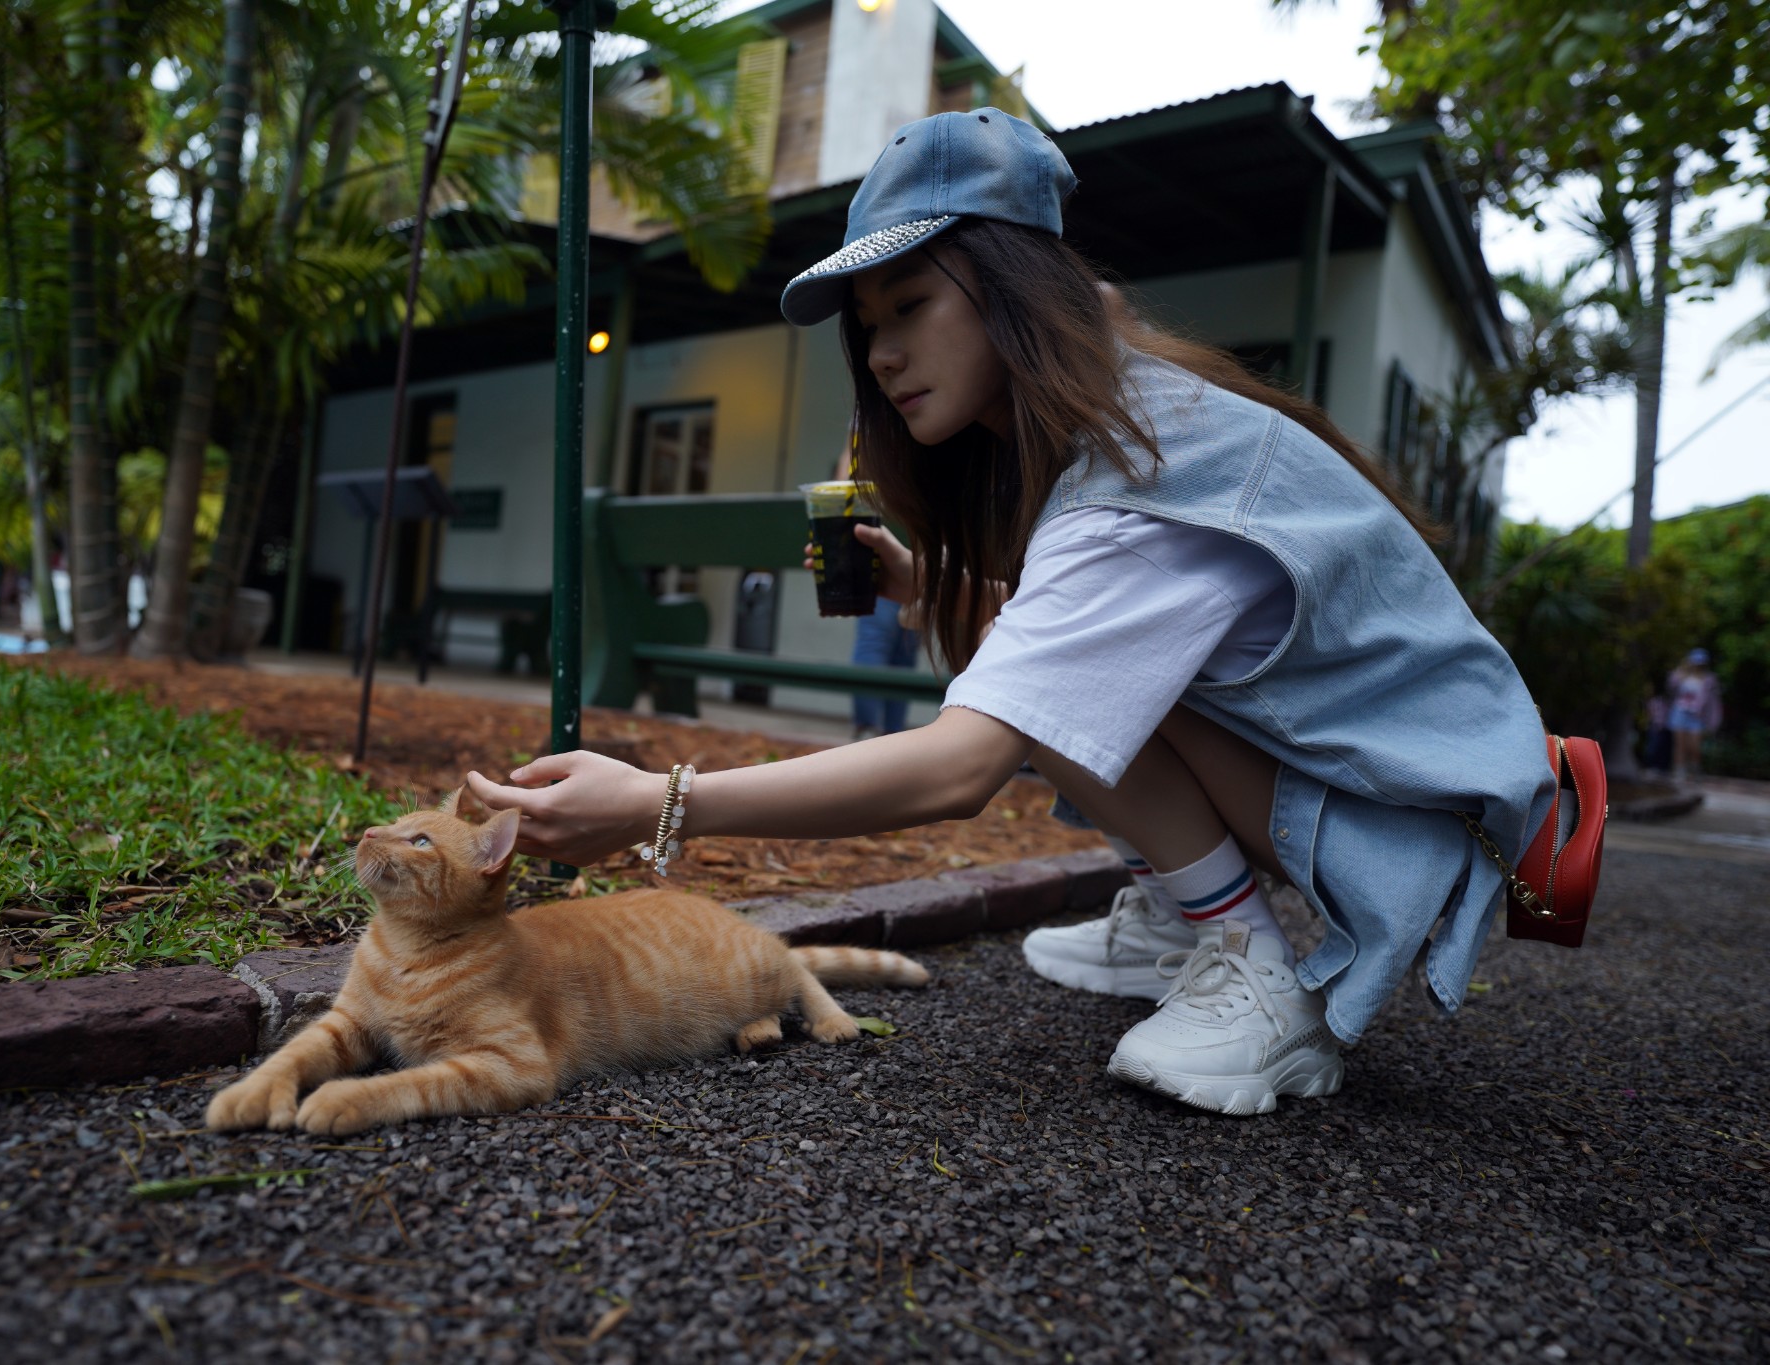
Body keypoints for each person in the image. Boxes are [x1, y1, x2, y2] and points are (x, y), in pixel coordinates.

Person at [469, 108, 1555, 1116]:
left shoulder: (1138, 477)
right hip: (1368, 779)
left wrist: (661, 801)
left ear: (1013, 290)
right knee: (1028, 655)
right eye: (867, 324)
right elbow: (1069, 636)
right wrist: (918, 585)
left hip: (1405, 824)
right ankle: (1188, 914)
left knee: (1037, 689)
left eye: (911, 306)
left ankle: (1247, 969)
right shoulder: (1138, 421)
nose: (882, 353)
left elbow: (957, 769)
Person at [834, 436, 921, 739]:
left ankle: (875, 732)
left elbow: (848, 474)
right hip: (910, 534)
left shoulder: (870, 420)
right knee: (895, 644)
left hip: (897, 533)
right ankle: (881, 732)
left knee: (893, 644)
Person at [1666, 648, 1723, 782]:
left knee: (1694, 746)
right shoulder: (1681, 675)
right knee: (1680, 745)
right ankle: (1679, 772)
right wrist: (1680, 671)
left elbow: (1713, 702)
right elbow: (1670, 687)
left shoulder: (1709, 679)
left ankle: (1695, 769)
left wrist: (1713, 721)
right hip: (1680, 712)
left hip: (1697, 716)